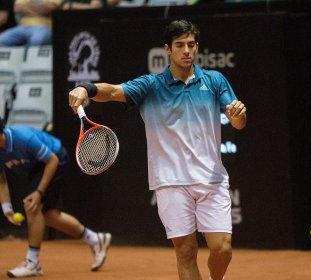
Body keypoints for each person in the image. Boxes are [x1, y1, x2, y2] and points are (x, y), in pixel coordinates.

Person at [68, 19, 247, 280]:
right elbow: (113, 91)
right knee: (185, 252)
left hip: (211, 179)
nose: (187, 51)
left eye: (191, 45)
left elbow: (239, 123)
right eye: (180, 45)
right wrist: (86, 87)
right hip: (170, 182)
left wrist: (237, 114)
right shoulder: (151, 85)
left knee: (223, 250)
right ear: (168, 49)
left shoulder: (215, 80)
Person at [0, 119, 112, 278]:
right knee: (50, 216)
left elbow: (52, 160)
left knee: (32, 205)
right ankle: (95, 239)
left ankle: (32, 263)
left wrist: (39, 192)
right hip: (37, 167)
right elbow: (1, 180)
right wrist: (7, 209)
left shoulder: (22, 138)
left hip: (55, 159)